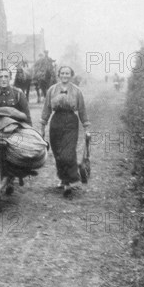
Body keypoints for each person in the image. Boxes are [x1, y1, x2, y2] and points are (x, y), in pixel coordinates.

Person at [39, 65, 90, 197]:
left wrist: (86, 128)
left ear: (71, 75)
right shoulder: (52, 90)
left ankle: (68, 182)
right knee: (58, 153)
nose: (65, 75)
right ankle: (63, 178)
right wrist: (42, 127)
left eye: (67, 73)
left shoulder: (77, 91)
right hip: (56, 123)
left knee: (68, 152)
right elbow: (46, 109)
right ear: (59, 75)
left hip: (71, 123)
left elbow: (82, 110)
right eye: (62, 73)